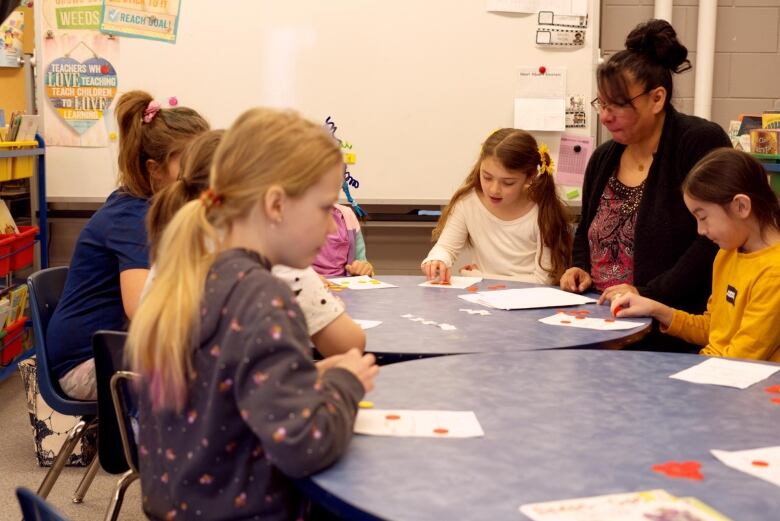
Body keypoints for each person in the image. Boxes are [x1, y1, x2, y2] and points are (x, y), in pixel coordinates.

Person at [126, 107, 379, 520]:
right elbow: (305, 444)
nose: (334, 230)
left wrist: (301, 376)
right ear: (276, 204)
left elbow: (216, 389)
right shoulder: (265, 297)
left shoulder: (189, 269)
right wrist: (343, 382)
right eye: (323, 208)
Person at [560, 20, 731, 321]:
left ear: (657, 98)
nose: (605, 117)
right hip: (601, 317)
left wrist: (649, 293)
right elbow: (586, 227)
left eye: (618, 106)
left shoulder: (698, 142)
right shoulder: (603, 158)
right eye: (602, 103)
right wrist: (580, 268)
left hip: (674, 322)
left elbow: (712, 241)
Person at [145, 130, 366, 357]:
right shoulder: (279, 266)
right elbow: (349, 344)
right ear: (273, 202)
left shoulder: (173, 255)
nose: (330, 226)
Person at [47, 91, 208, 400]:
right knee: (217, 375)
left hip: (114, 349)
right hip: (88, 364)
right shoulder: (134, 217)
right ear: (154, 169)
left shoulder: (144, 206)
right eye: (191, 165)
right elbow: (144, 311)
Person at [611, 149, 780, 362]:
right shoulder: (727, 253)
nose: (700, 230)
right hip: (714, 372)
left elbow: (739, 360)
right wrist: (656, 309)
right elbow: (712, 329)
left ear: (741, 206)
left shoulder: (774, 273)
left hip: (738, 385)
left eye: (703, 217)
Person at [421, 128, 571, 284]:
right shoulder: (468, 203)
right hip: (484, 299)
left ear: (530, 176)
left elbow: (544, 281)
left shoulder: (543, 211)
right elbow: (446, 248)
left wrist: (477, 277)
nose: (493, 190)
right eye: (487, 177)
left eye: (508, 183)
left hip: (528, 301)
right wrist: (437, 259)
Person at [312, 203, 374, 277]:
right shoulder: (296, 215)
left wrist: (364, 269)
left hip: (341, 284)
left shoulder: (347, 215)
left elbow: (361, 261)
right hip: (303, 284)